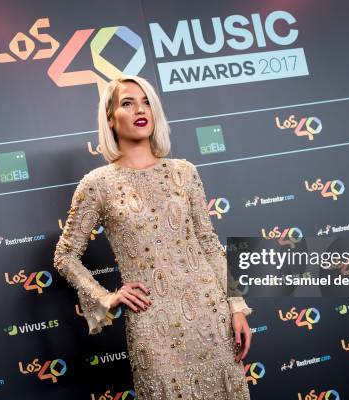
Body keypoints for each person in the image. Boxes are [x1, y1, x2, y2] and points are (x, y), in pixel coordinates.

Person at [53, 74, 253, 399]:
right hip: (152, 324)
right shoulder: (97, 184)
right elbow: (65, 256)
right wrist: (106, 297)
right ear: (110, 118)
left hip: (209, 316)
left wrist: (236, 307)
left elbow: (208, 244)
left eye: (146, 101)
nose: (139, 110)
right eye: (127, 103)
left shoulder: (184, 172)